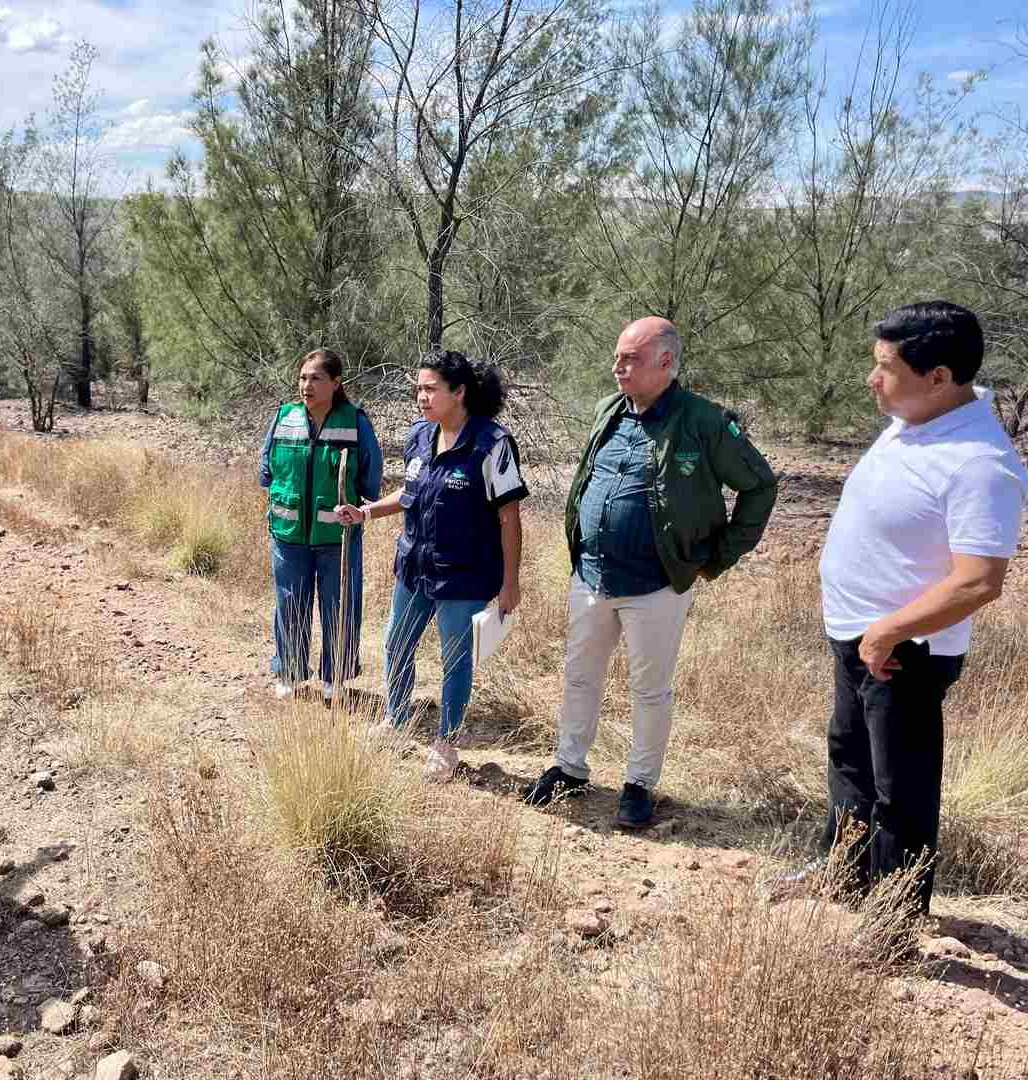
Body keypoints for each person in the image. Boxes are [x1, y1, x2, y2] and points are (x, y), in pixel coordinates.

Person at [774, 302, 1026, 914]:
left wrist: (888, 631)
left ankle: (892, 922)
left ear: (939, 377)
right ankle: (842, 878)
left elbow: (979, 582)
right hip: (861, 635)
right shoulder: (915, 419)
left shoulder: (980, 463)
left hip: (906, 649)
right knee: (851, 764)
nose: (872, 379)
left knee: (901, 790)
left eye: (885, 367)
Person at [521, 317, 778, 827]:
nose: (617, 367)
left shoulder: (703, 421)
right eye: (617, 356)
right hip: (591, 575)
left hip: (658, 583)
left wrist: (718, 556)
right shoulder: (609, 410)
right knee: (580, 675)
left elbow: (760, 487)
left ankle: (638, 784)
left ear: (665, 362)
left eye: (630, 359)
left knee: (649, 687)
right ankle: (570, 768)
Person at [337, 350, 527, 782]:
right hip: (415, 566)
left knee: (455, 660)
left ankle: (446, 745)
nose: (421, 397)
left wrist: (510, 582)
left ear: (459, 392)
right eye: (418, 389)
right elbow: (410, 494)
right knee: (395, 644)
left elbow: (509, 516)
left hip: (465, 575)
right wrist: (365, 512)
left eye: (430, 389)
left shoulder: (491, 444)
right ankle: (395, 721)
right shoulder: (420, 435)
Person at [260, 348, 384, 702]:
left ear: (335, 382)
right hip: (289, 534)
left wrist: (356, 508)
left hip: (337, 536)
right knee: (290, 604)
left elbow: (370, 477)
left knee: (339, 606)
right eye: (303, 378)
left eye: (316, 378)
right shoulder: (284, 416)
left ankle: (336, 676)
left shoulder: (355, 421)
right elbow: (267, 470)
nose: (307, 385)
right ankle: (290, 672)